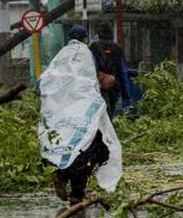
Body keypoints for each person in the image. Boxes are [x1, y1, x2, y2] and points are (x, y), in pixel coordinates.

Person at [38, 25, 122, 205]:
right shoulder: (88, 54)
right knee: (92, 146)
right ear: (85, 38)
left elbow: (46, 81)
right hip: (85, 109)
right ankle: (77, 193)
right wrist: (108, 80)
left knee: (71, 144)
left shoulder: (60, 56)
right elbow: (95, 76)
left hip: (64, 112)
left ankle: (62, 175)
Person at [89, 22, 130, 117]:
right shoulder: (117, 48)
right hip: (114, 85)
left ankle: (100, 130)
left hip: (98, 86)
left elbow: (92, 66)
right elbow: (123, 71)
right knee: (111, 110)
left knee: (98, 113)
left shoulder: (94, 47)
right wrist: (126, 93)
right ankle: (108, 129)